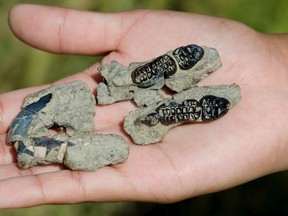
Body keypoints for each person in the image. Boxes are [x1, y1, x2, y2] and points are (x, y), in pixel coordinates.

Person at [1, 4, 288, 209]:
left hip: (78, 119)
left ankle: (150, 96)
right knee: (108, 143)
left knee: (108, 140)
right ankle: (154, 100)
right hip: (69, 122)